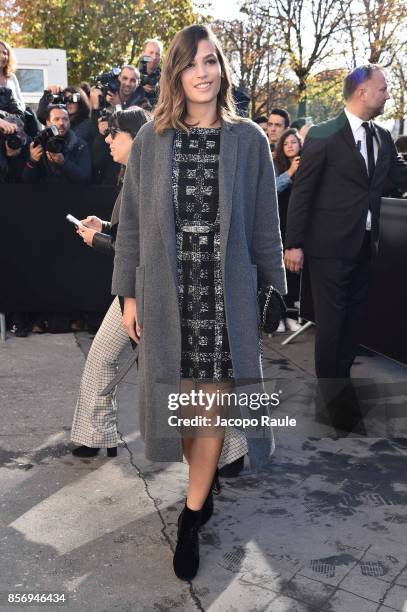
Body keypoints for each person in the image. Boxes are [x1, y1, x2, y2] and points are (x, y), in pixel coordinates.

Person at [112, 24, 286, 581]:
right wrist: (129, 294)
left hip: (221, 292)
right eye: (190, 64)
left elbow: (264, 221)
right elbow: (133, 223)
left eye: (211, 61)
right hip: (169, 292)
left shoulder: (250, 140)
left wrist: (273, 288)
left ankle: (190, 518)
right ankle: (200, 487)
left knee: (209, 405)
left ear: (222, 70)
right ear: (175, 75)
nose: (202, 73)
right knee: (183, 407)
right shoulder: (151, 140)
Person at [285, 64, 407, 426]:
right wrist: (293, 243)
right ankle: (332, 401)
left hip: (366, 248)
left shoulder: (384, 137)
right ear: (362, 92)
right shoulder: (324, 133)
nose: (388, 94)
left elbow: (399, 176)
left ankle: (342, 391)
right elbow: (302, 193)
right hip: (329, 248)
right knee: (333, 326)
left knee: (353, 325)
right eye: (383, 88)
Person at [70, 107, 151, 457]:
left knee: (183, 375)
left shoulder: (147, 177)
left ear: (136, 138)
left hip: (146, 291)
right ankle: (96, 436)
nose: (106, 139)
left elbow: (143, 245)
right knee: (103, 358)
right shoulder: (136, 174)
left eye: (114, 133)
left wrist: (97, 240)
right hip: (133, 290)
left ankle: (230, 450)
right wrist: (103, 226)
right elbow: (132, 234)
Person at [274, 128, 302, 332]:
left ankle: (292, 314)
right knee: (281, 268)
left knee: (295, 272)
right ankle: (280, 314)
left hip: (297, 223)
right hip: (279, 222)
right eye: (286, 143)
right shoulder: (275, 165)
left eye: (294, 142)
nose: (290, 145)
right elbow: (271, 189)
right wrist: (290, 172)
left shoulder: (307, 164)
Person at [22, 104, 91, 184]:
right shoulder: (39, 143)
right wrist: (33, 160)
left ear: (69, 122)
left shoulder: (80, 145)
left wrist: (63, 162)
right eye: (56, 119)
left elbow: (86, 179)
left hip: (72, 194)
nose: (61, 123)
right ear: (48, 122)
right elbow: (26, 180)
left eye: (65, 119)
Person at [0, 41, 25, 110]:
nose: (2, 56)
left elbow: (20, 101)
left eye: (5, 53)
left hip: (14, 117)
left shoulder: (12, 77)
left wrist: (20, 113)